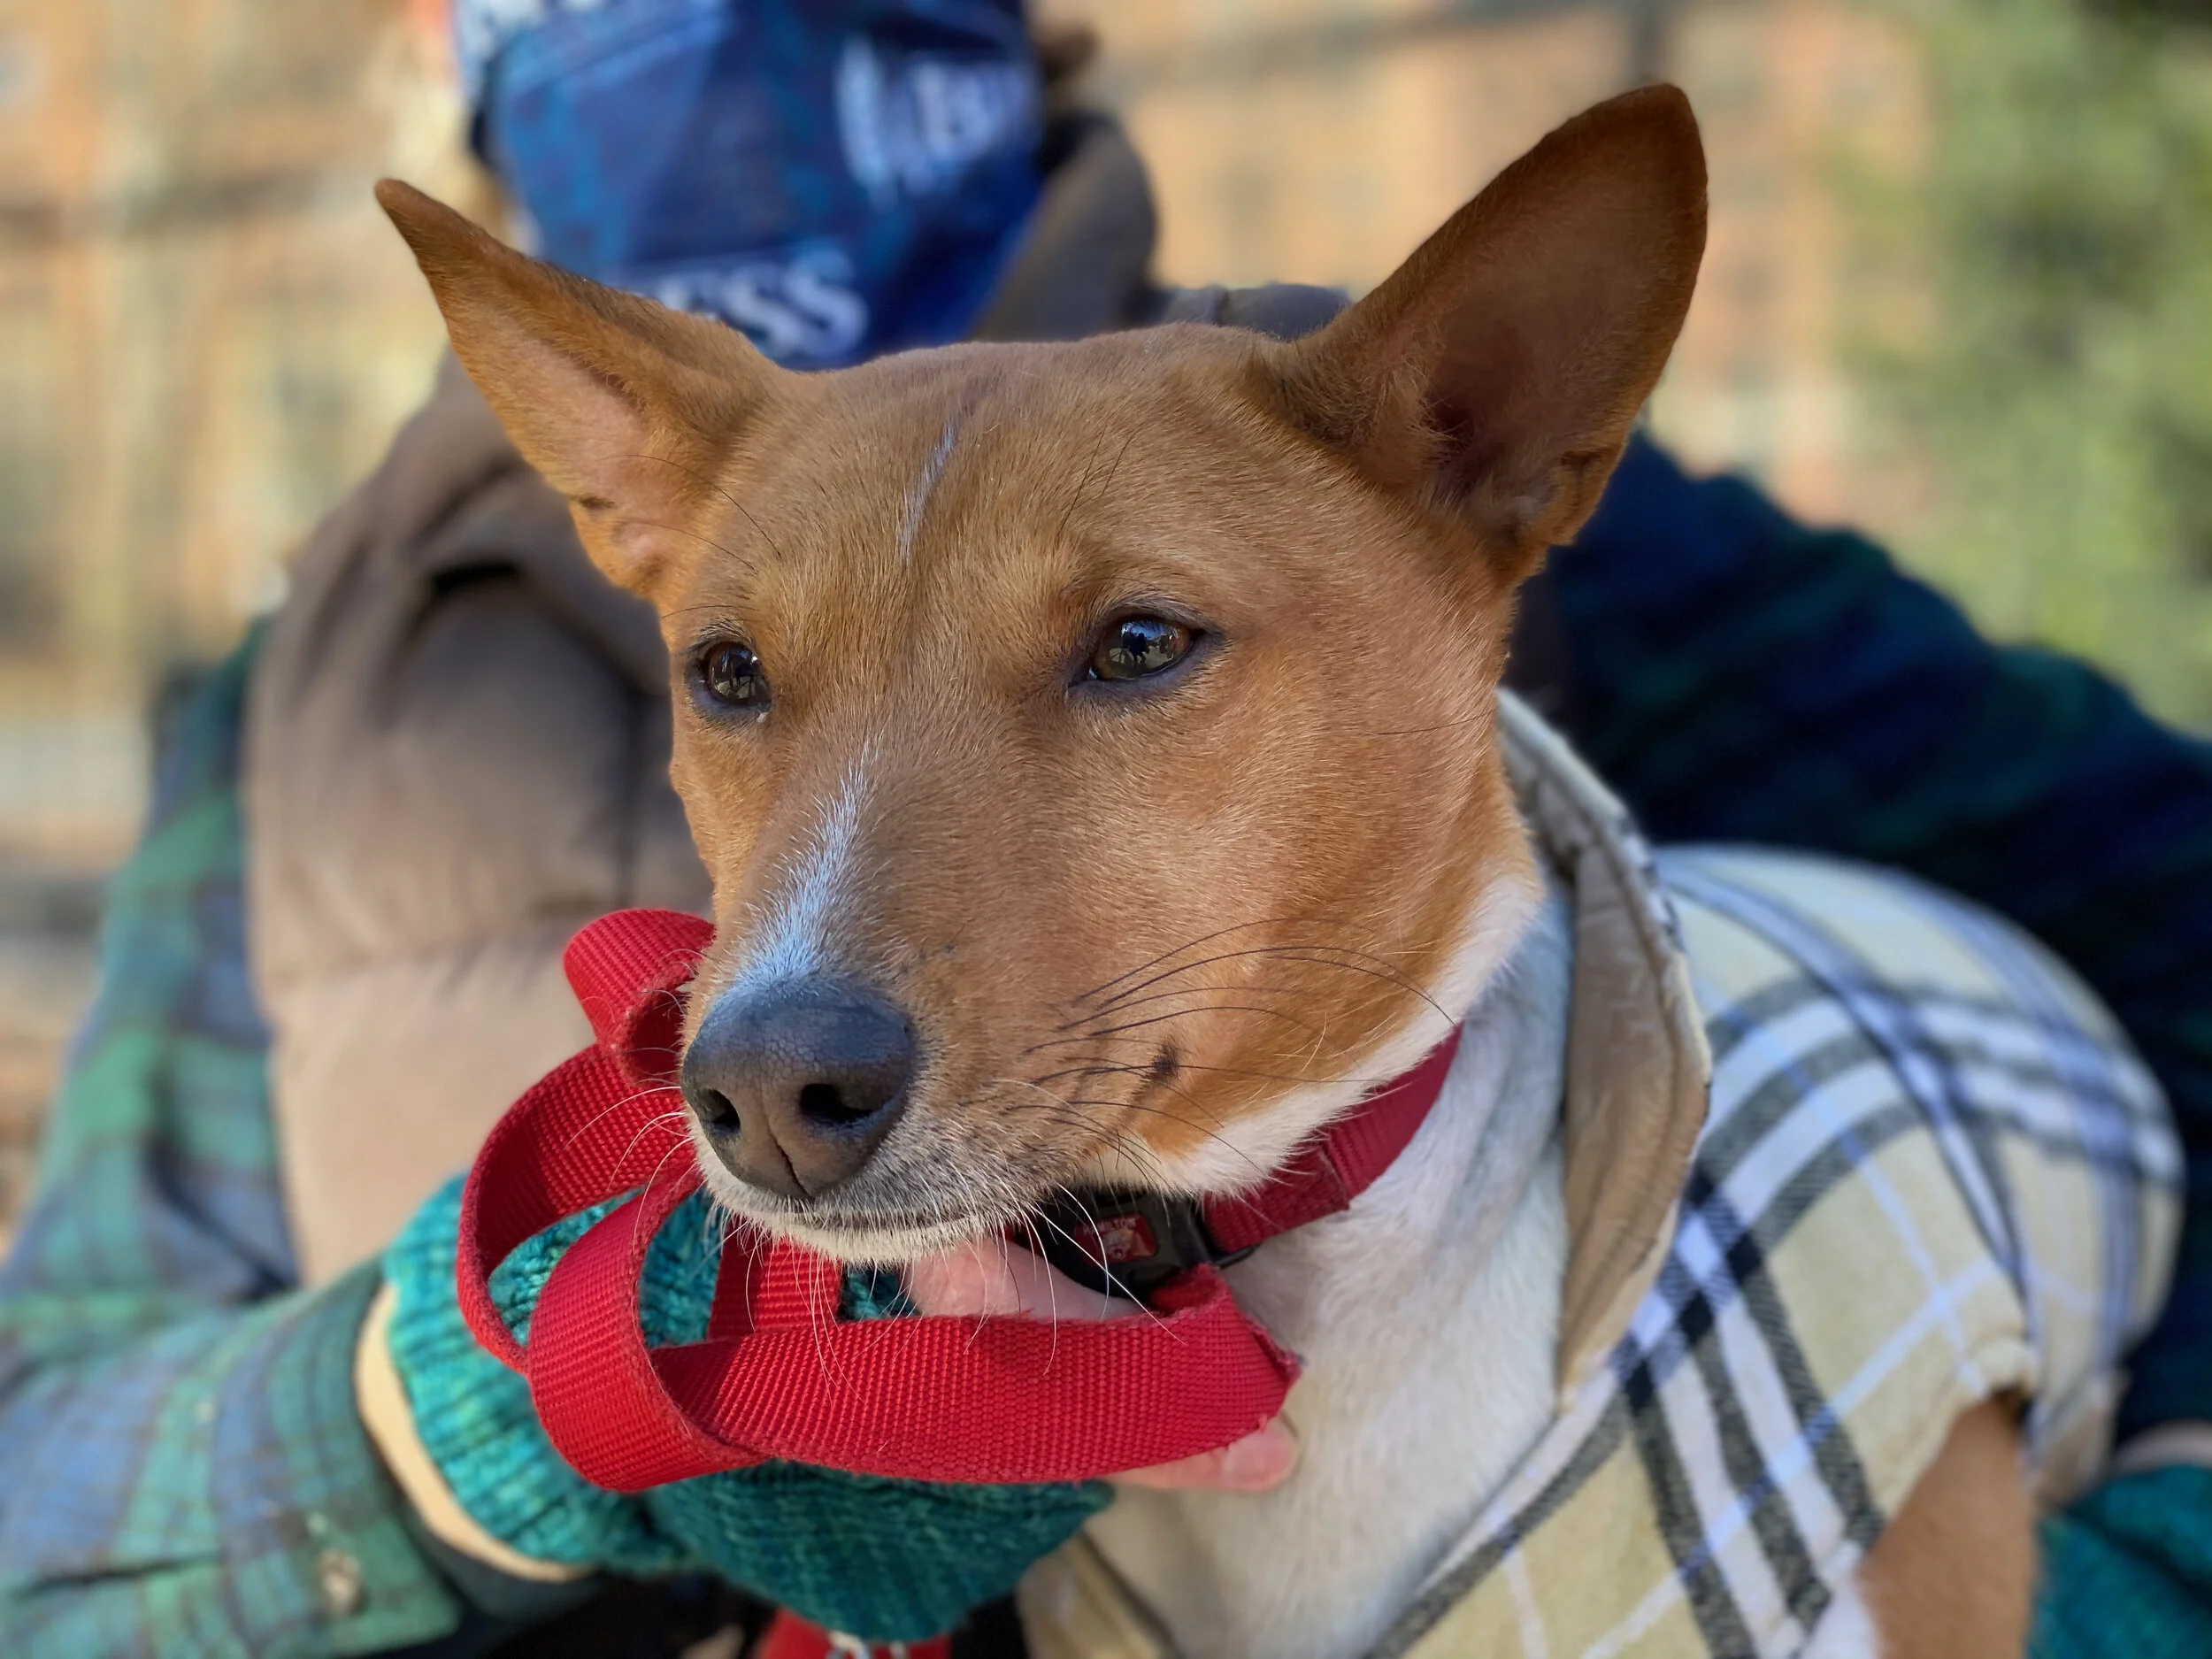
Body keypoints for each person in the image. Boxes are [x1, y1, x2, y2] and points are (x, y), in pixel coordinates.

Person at [2, 3, 2208, 1655]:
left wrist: (2137, 1571)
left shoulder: (1374, 462)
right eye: (739, 680)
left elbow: (2171, 898)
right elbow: (37, 1509)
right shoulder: (292, 723)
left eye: (1131, 648)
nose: (772, 1049)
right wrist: (513, 1404)